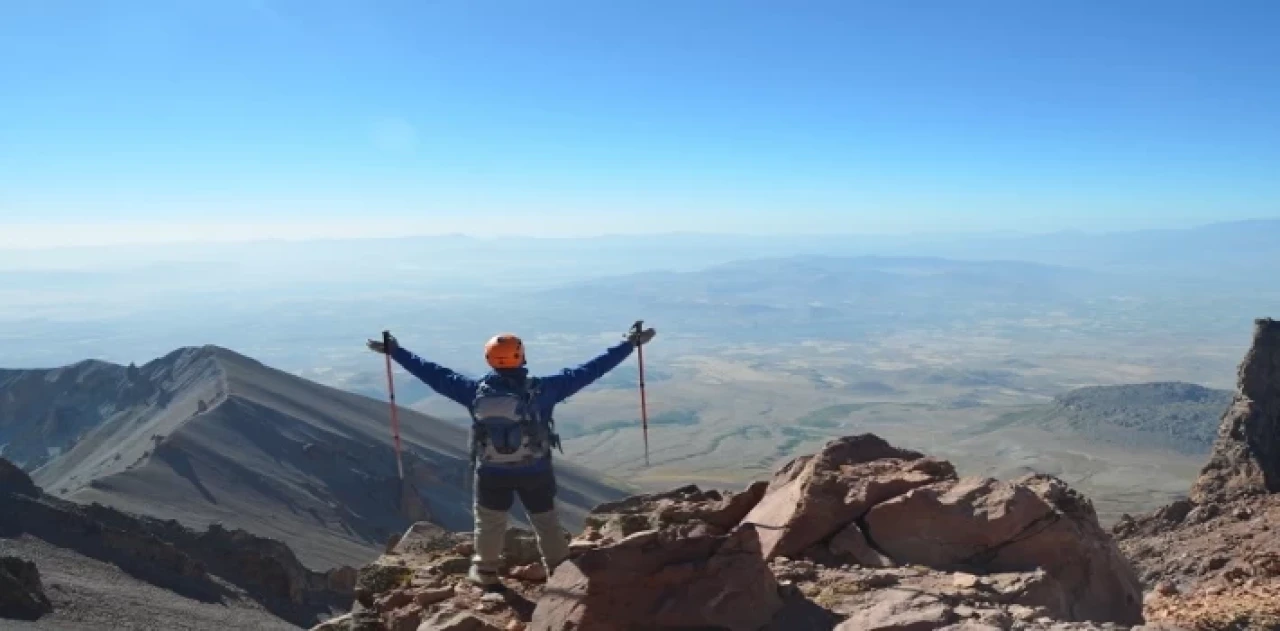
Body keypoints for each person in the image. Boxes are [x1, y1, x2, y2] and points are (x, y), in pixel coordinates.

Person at [366, 322, 656, 587]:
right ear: (521, 356)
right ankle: (559, 569)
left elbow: (433, 373)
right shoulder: (544, 389)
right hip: (535, 470)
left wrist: (396, 352)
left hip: (491, 472)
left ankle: (486, 572)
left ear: (489, 359)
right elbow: (591, 369)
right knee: (545, 521)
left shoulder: (471, 391)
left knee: (490, 522)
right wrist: (629, 344)